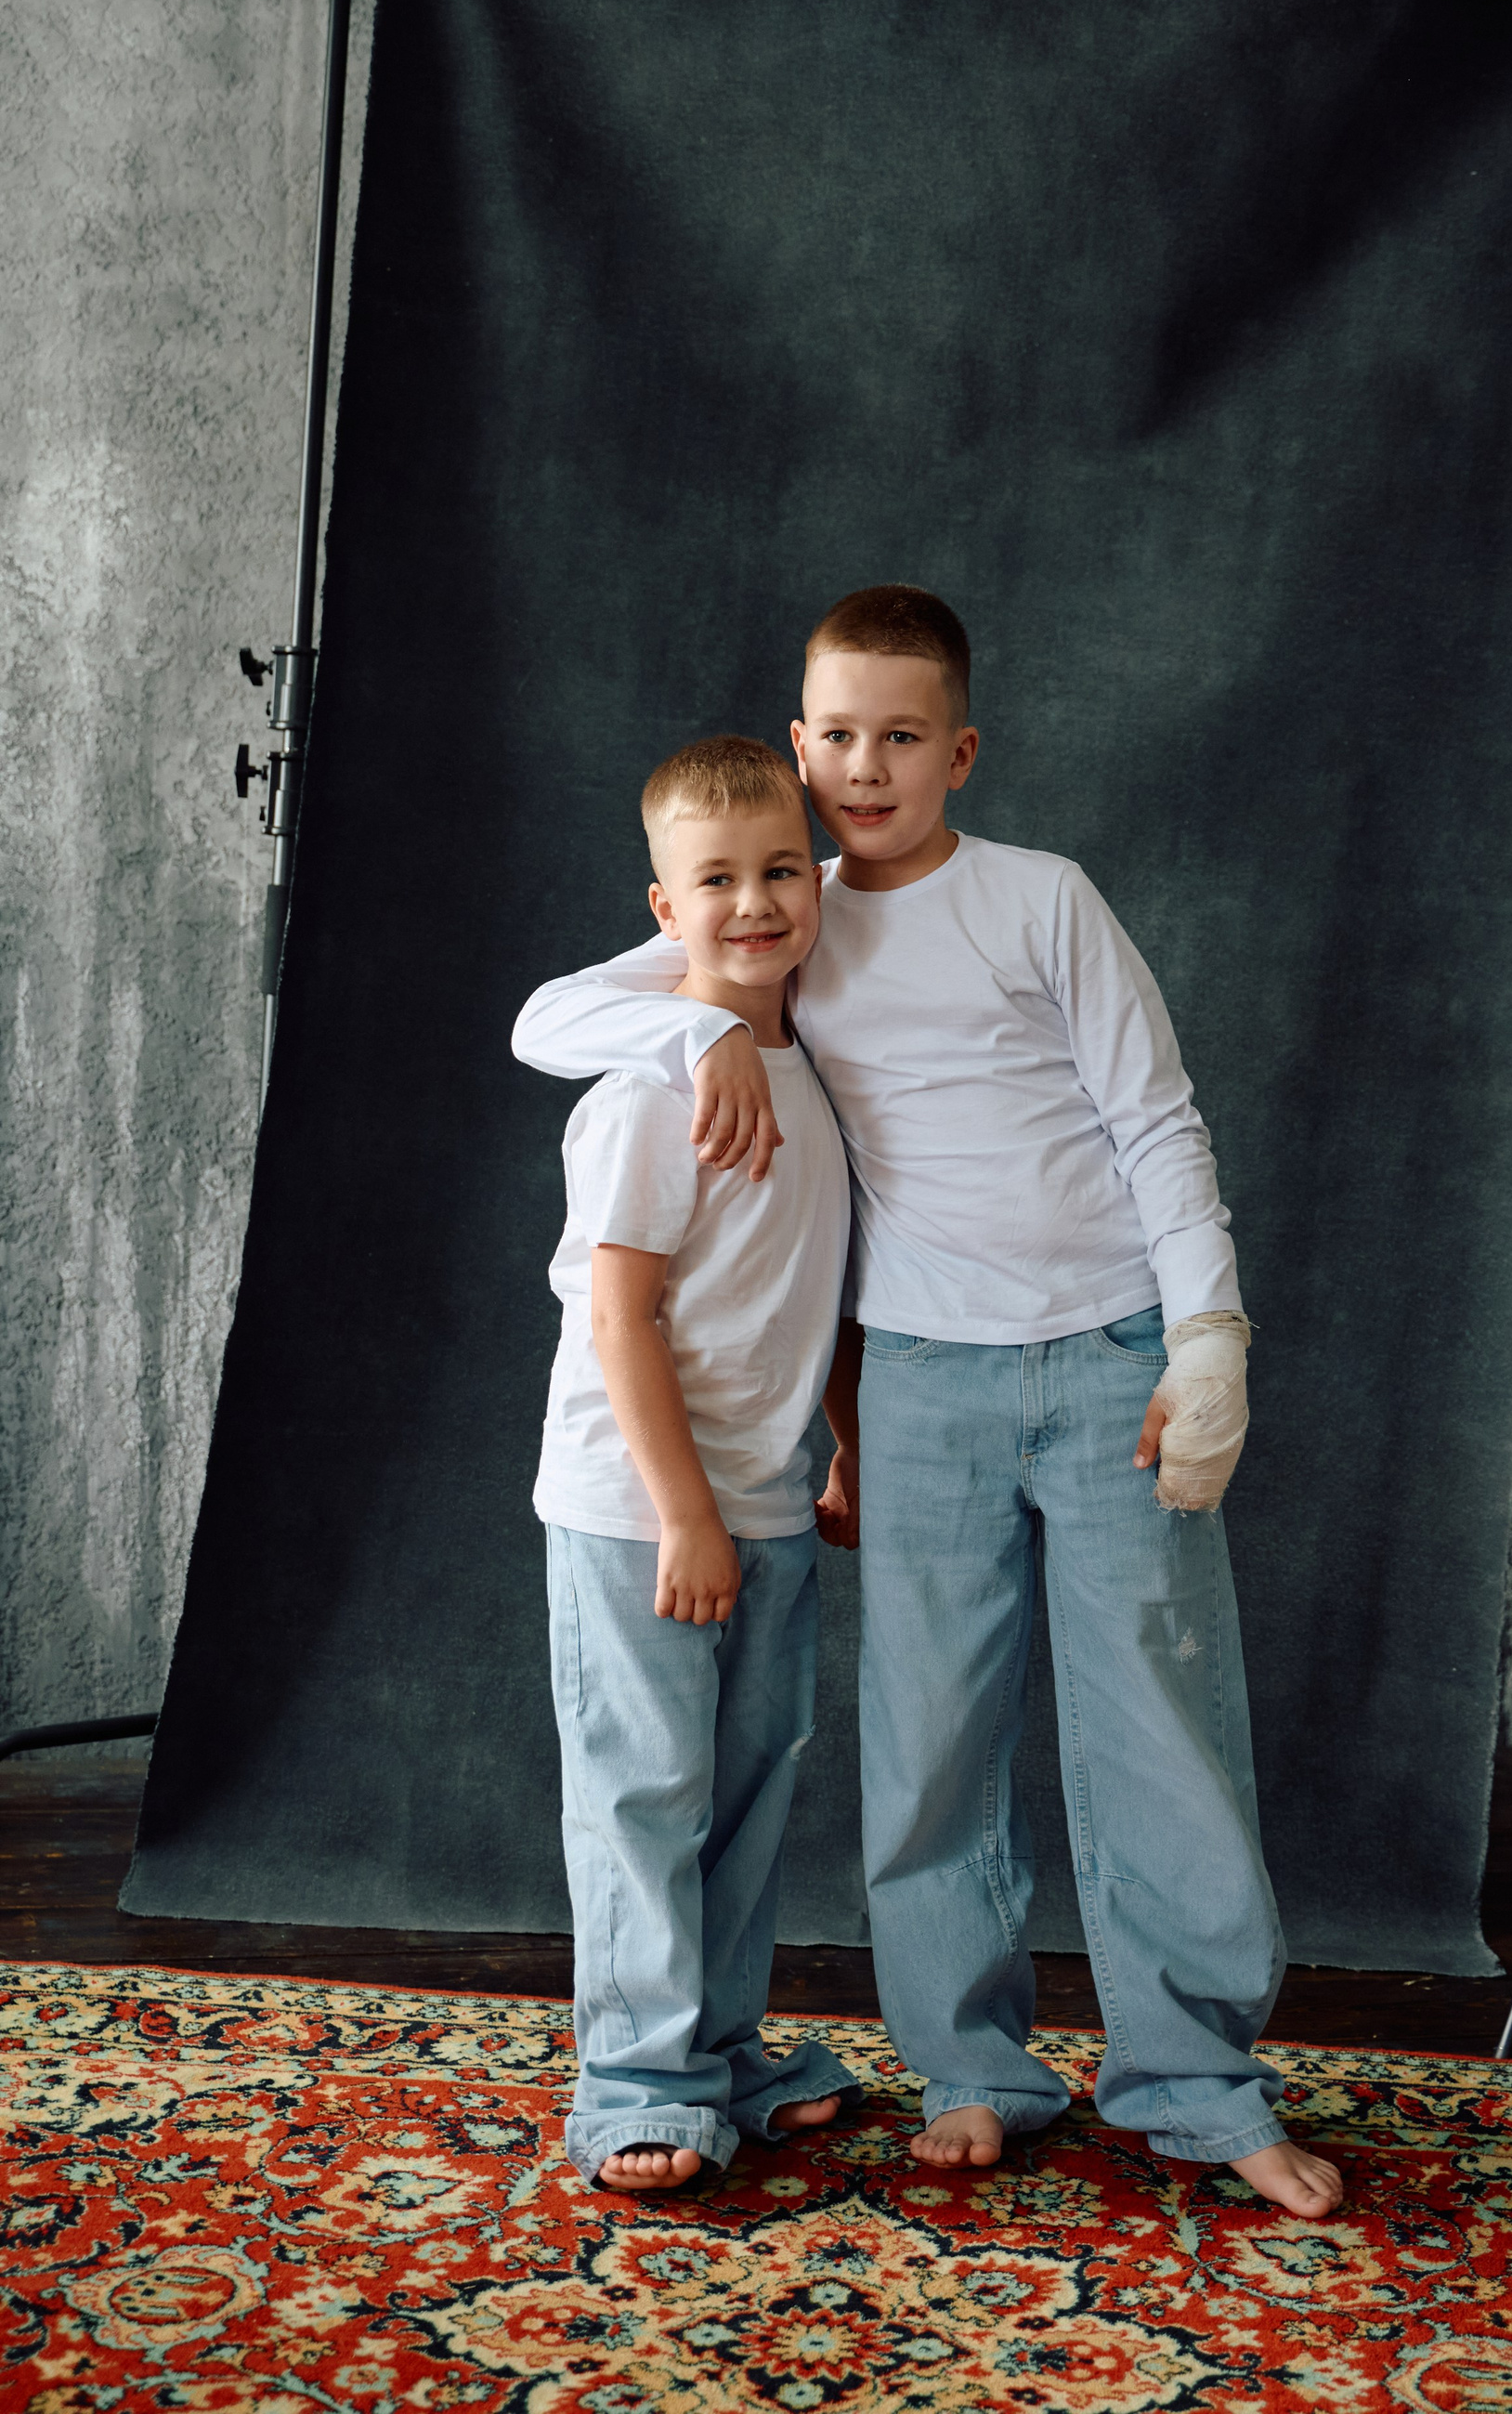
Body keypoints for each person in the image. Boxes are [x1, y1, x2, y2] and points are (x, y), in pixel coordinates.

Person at [515, 589, 1341, 2219]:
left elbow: (1157, 1120)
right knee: (930, 1741)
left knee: (1161, 1724)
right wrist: (693, 1039)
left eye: (903, 737)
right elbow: (548, 1017)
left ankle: (1196, 2080)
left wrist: (1208, 1334)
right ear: (801, 742)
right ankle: (972, 2069)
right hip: (920, 1382)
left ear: (960, 752)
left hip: (1109, 1360)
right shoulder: (783, 910)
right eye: (837, 735)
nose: (866, 767)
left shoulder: (1040, 901)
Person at [530, 732, 861, 2196]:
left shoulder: (814, 1074)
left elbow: (821, 1287)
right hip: (641, 1509)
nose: (755, 902)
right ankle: (637, 2083)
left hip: (767, 1497)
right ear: (665, 912)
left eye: (781, 870)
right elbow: (621, 1318)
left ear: (818, 884)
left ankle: (719, 2049)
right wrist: (685, 1516)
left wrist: (843, 1444)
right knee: (645, 1793)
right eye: (716, 881)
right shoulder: (650, 1089)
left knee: (746, 1794)